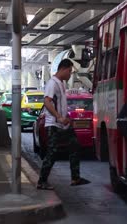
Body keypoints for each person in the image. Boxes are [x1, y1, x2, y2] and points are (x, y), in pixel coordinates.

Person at [37, 59, 82, 190]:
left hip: (63, 124)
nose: (70, 74)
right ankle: (42, 181)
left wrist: (66, 116)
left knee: (75, 146)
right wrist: (59, 117)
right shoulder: (52, 83)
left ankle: (75, 178)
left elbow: (61, 103)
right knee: (52, 153)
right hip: (54, 124)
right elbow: (47, 102)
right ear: (63, 69)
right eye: (69, 71)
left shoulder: (61, 83)